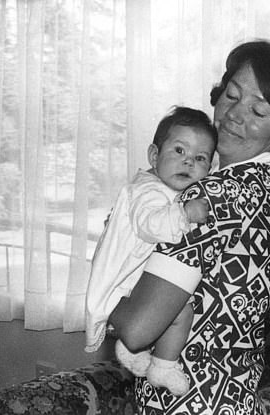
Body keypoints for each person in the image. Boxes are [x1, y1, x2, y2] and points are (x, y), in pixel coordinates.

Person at [108, 39, 270, 414]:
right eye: (231, 94)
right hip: (234, 400)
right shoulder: (266, 193)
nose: (233, 115)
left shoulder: (212, 196)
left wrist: (103, 287)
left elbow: (137, 330)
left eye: (258, 111)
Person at [84, 106, 218, 396]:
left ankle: (146, 357)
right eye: (179, 151)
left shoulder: (161, 186)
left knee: (181, 310)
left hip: (133, 283)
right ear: (154, 156)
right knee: (179, 310)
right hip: (122, 285)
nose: (188, 163)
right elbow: (150, 225)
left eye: (200, 158)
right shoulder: (148, 190)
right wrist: (185, 214)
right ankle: (163, 365)